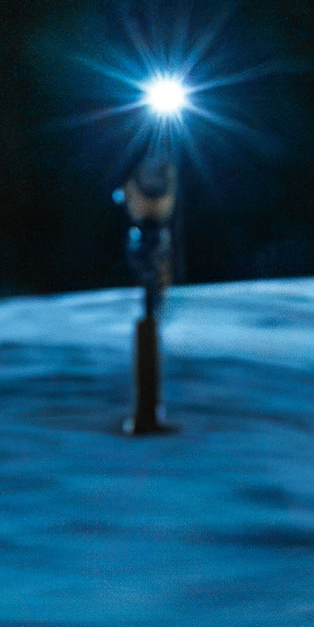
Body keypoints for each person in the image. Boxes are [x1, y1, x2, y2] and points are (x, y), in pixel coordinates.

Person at [116, 153, 180, 436]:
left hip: (149, 293)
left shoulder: (152, 227)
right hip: (143, 299)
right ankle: (146, 414)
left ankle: (149, 412)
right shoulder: (145, 227)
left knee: (150, 336)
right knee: (147, 337)